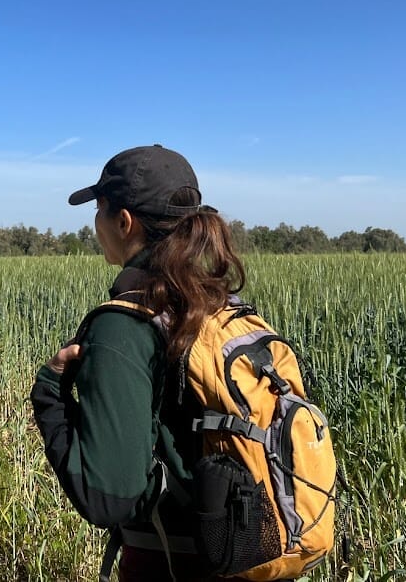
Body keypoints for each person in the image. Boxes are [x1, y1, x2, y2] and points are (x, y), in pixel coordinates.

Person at [30, 144, 255, 582]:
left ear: (124, 220)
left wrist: (50, 392)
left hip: (172, 564)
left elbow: (106, 498)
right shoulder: (220, 305)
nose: (96, 224)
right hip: (244, 551)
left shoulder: (124, 324)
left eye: (99, 209)